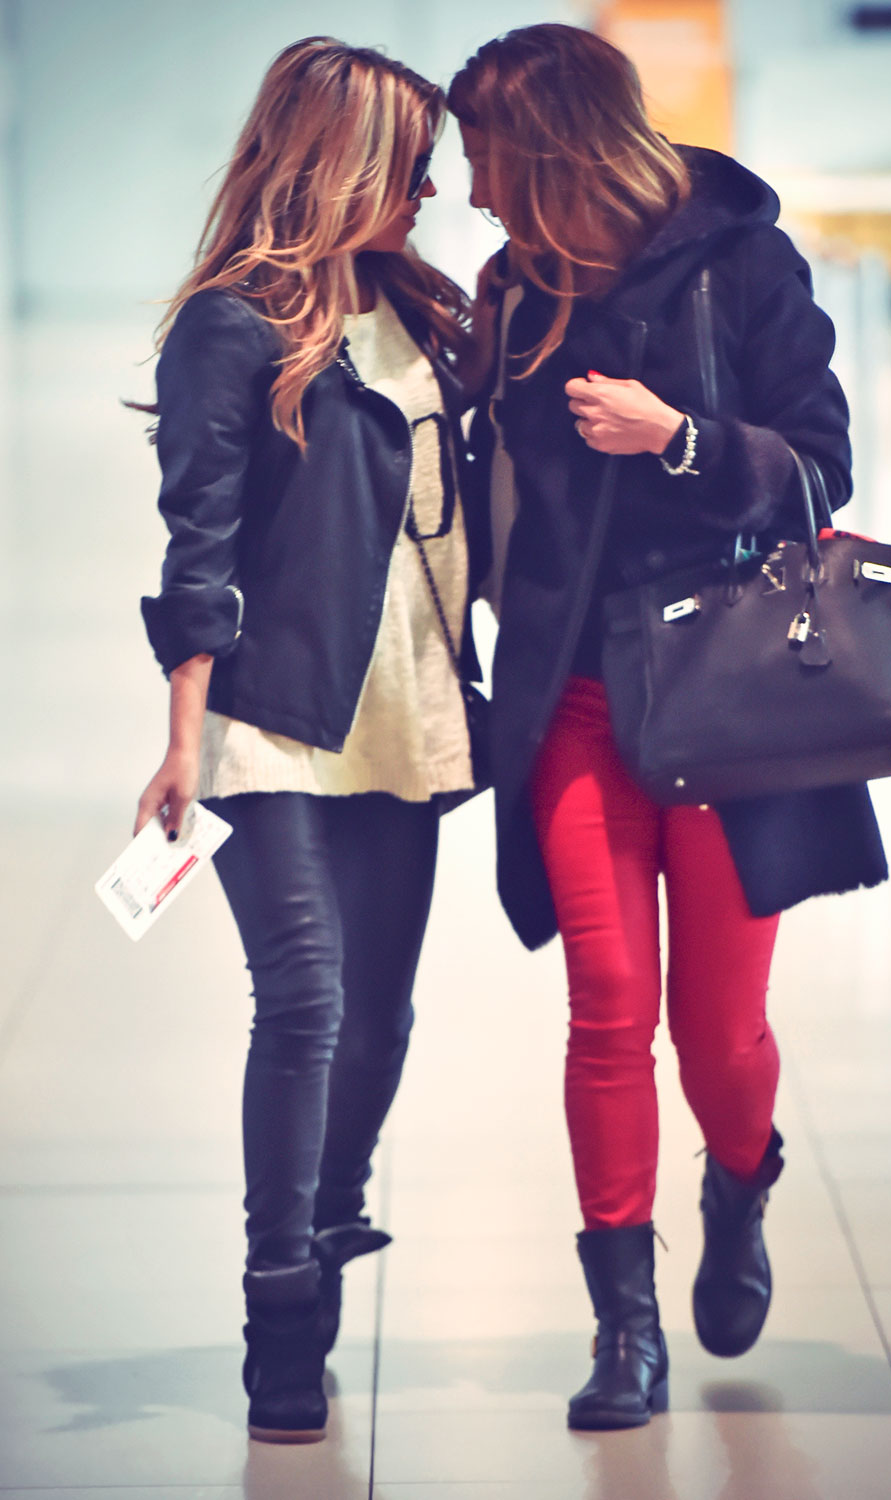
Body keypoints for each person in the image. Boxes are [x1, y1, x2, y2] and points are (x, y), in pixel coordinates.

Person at [449, 24, 888, 1432]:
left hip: (727, 699)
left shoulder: (746, 265)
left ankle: (740, 1178)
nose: (469, 191)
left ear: (546, 152)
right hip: (575, 697)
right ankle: (622, 1328)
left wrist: (679, 438)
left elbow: (822, 466)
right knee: (606, 1013)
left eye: (483, 160)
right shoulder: (511, 292)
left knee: (718, 1033)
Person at [133, 36, 480, 1444]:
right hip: (270, 717)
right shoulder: (233, 326)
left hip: (403, 706)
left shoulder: (420, 310)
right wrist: (181, 736)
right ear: (345, 160)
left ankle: (333, 1223)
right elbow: (196, 544)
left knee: (383, 1015)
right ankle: (280, 1310)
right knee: (309, 1002)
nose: (435, 188)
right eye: (412, 164)